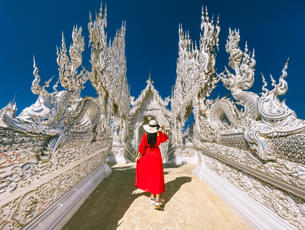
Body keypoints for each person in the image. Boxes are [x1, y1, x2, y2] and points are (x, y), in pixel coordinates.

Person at [135, 119, 168, 209]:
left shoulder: (145, 135)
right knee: (157, 177)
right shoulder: (159, 134)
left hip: (147, 156)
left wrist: (138, 157)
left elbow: (142, 148)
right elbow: (166, 137)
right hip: (156, 156)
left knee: (151, 176)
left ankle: (153, 197)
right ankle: (156, 199)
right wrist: (164, 129)